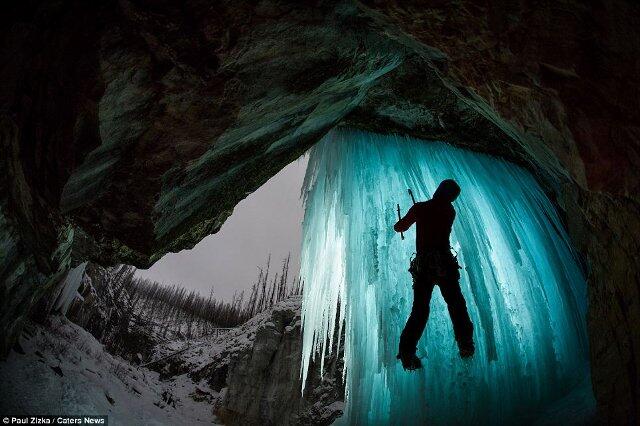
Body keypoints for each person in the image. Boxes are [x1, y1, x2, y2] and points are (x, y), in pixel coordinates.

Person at [394, 179, 474, 371]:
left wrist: (400, 223)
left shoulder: (420, 208)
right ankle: (465, 343)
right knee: (456, 305)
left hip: (424, 267)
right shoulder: (449, 212)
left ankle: (407, 351)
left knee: (420, 310)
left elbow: (401, 226)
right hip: (445, 264)